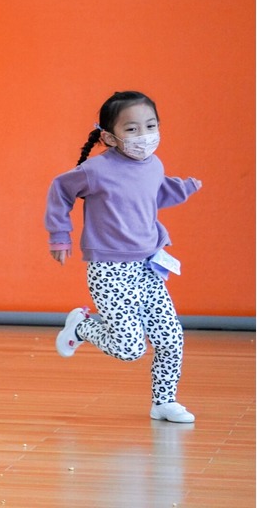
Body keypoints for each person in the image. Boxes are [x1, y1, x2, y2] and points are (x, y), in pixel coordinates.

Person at [44, 90, 202, 423]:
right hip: (109, 270)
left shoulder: (153, 164)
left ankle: (164, 401)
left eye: (151, 125)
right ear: (108, 137)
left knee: (171, 338)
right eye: (132, 129)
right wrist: (60, 236)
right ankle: (83, 327)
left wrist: (183, 188)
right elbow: (60, 190)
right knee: (131, 350)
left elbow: (152, 193)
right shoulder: (95, 170)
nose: (144, 136)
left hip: (148, 267)